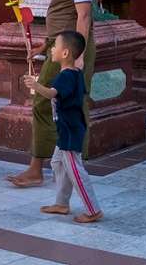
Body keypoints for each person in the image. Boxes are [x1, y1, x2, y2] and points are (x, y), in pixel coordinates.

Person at [8, 0, 98, 191]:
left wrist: (77, 57)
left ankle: (47, 168)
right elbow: (63, 17)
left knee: (52, 104)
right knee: (60, 105)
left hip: (72, 53)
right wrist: (46, 47)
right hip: (60, 50)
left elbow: (83, 16)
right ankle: (60, 167)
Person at [26, 29, 100, 224]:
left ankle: (93, 209)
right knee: (58, 163)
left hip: (70, 130)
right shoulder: (75, 73)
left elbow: (52, 94)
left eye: (55, 47)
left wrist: (35, 85)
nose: (52, 50)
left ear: (65, 53)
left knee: (75, 169)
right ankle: (61, 203)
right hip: (68, 128)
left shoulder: (65, 76)